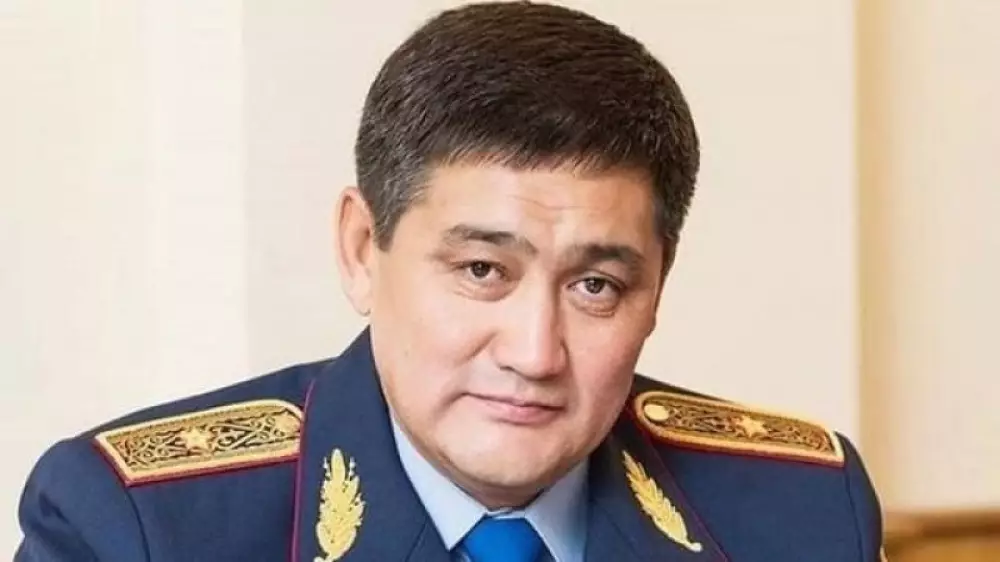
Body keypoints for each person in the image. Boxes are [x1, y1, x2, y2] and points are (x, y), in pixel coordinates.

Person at [15, 2, 886, 561]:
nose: (535, 354)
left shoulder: (804, 512)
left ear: (658, 285)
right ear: (363, 248)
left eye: (595, 287)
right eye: (482, 270)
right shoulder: (140, 527)